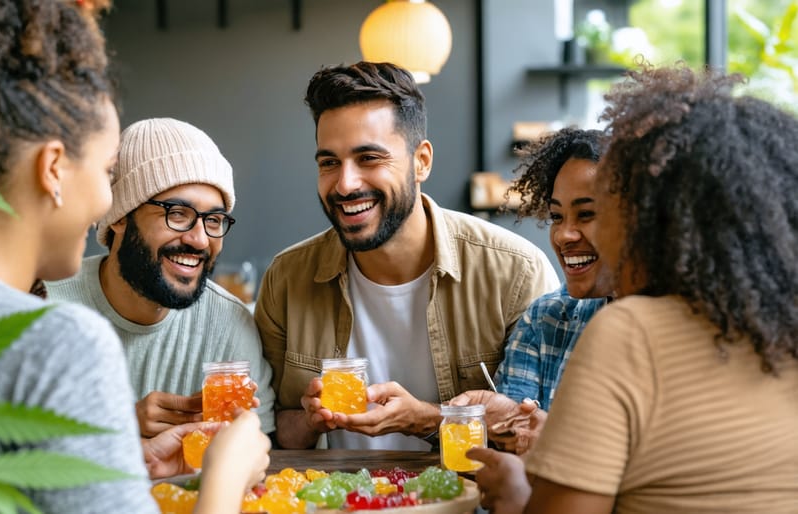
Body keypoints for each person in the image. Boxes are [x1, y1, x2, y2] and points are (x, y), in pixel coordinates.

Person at [0, 1, 268, 512]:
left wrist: (124, 462)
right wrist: (224, 476)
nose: (102, 202)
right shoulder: (61, 342)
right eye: (104, 172)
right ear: (53, 169)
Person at [471, 64, 798, 513]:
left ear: (657, 221)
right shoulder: (779, 329)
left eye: (604, 211)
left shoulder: (630, 332)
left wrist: (517, 494)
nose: (581, 235)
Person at [255, 61, 559, 451]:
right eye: (329, 163)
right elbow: (274, 432)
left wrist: (426, 420)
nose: (345, 184)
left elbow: (543, 439)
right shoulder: (286, 278)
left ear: (422, 162)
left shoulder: (515, 272)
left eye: (369, 158)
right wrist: (312, 420)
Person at [46, 117, 275, 438]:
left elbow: (261, 458)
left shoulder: (229, 324)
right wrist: (119, 427)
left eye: (214, 219)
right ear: (120, 217)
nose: (199, 239)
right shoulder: (45, 306)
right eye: (177, 214)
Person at [451, 127, 613, 455]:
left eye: (587, 214)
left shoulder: (682, 331)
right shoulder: (545, 318)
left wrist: (551, 439)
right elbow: (514, 448)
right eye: (556, 216)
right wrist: (504, 417)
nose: (565, 235)